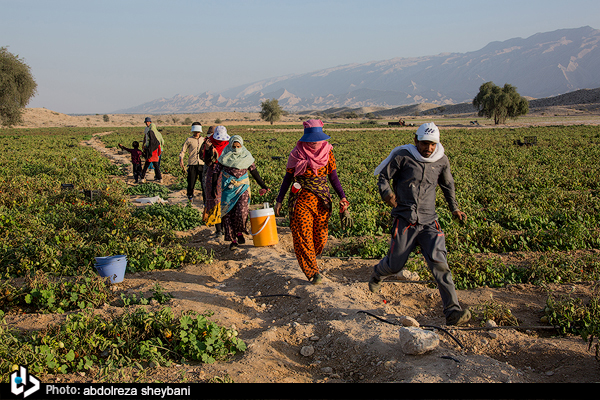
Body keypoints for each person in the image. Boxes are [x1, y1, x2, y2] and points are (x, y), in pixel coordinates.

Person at [369, 122, 470, 326]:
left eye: (432, 144)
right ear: (416, 140)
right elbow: (383, 177)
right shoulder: (403, 156)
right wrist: (387, 194)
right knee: (396, 264)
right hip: (405, 219)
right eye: (425, 143)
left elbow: (448, 186)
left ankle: (452, 310)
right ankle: (379, 273)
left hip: (429, 221)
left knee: (440, 264)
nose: (429, 148)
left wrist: (455, 209)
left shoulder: (441, 160)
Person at [274, 119, 349, 285]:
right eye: (312, 139)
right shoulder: (296, 153)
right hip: (301, 199)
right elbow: (287, 178)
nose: (315, 143)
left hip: (322, 200)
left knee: (320, 237)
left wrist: (342, 197)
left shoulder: (328, 152)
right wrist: (279, 200)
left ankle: (310, 259)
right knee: (303, 235)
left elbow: (333, 177)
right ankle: (313, 272)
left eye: (317, 139)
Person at [215, 134, 270, 250]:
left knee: (242, 211)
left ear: (241, 145)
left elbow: (254, 171)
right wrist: (213, 188)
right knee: (227, 214)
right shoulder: (225, 156)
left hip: (242, 187)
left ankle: (239, 232)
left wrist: (263, 185)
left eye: (238, 146)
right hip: (227, 189)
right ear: (230, 146)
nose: (236, 149)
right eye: (233, 146)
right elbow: (216, 172)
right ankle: (233, 240)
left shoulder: (246, 156)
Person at [202, 126, 229, 237]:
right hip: (213, 172)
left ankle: (227, 229)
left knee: (226, 200)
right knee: (215, 200)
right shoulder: (209, 143)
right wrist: (208, 150)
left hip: (226, 174)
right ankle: (219, 230)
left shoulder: (228, 144)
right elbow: (207, 161)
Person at [179, 122, 205, 202]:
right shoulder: (189, 140)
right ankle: (190, 197)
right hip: (192, 163)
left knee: (203, 183)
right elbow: (183, 151)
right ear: (193, 131)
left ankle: (205, 199)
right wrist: (181, 159)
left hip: (202, 164)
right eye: (195, 132)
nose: (196, 133)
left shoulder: (203, 140)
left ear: (200, 132)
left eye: (198, 132)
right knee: (191, 182)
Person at [140, 117, 162, 183]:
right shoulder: (157, 142)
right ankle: (160, 178)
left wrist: (145, 152)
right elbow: (159, 149)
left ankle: (142, 178)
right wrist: (158, 155)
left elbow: (146, 151)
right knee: (157, 168)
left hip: (149, 157)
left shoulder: (149, 145)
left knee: (145, 168)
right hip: (155, 157)